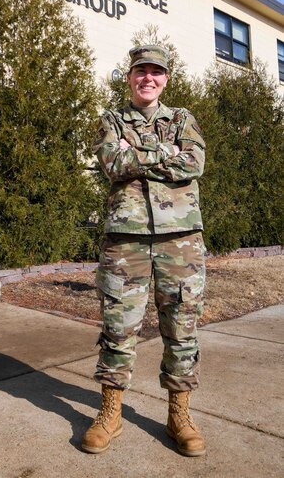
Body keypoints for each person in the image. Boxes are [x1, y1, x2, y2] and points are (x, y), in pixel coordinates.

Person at [82, 45, 206, 457]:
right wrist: (164, 152)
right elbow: (112, 165)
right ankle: (110, 414)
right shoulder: (111, 120)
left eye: (156, 72)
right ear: (130, 77)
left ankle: (179, 415)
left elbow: (194, 163)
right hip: (127, 240)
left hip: (180, 240)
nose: (148, 78)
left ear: (166, 78)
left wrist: (137, 153)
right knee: (118, 328)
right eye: (141, 72)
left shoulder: (183, 119)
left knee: (181, 328)